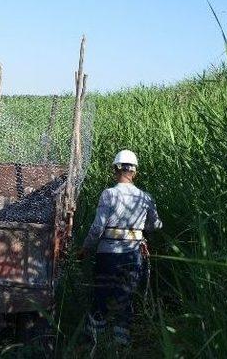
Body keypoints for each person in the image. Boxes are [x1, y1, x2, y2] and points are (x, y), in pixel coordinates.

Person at [80, 149, 162, 347]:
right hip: (133, 255)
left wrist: (85, 248)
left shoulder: (109, 195)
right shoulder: (145, 197)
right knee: (125, 295)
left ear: (116, 170)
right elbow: (156, 225)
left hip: (107, 255)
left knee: (101, 294)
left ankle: (93, 341)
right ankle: (121, 343)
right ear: (135, 171)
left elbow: (98, 227)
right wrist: (140, 229)